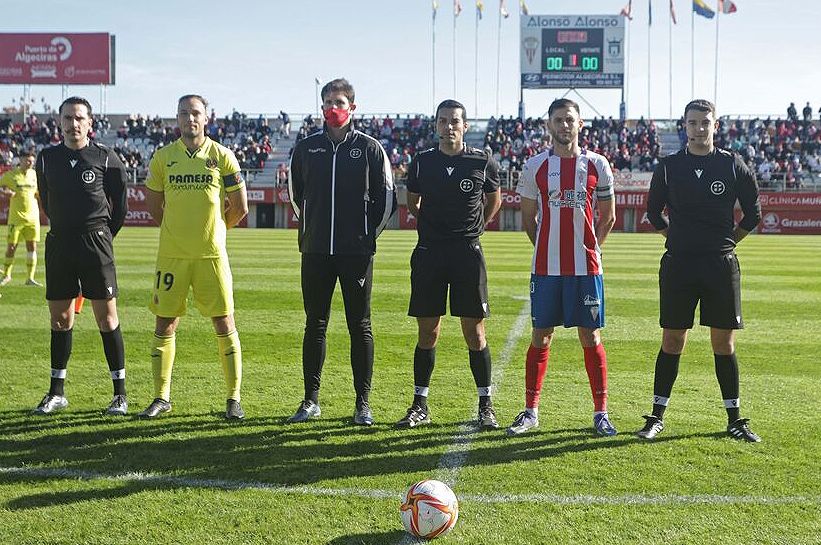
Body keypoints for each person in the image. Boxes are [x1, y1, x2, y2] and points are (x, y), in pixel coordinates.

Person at [637, 99, 762, 442]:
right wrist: (675, 238)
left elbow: (753, 214)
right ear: (685, 126)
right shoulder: (668, 166)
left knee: (723, 343)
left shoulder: (733, 164)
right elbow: (652, 212)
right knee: (673, 340)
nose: (699, 128)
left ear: (715, 125)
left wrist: (727, 242)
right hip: (679, 264)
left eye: (705, 123)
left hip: (720, 266)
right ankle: (656, 416)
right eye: (693, 123)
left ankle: (735, 420)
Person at [287, 78, 395, 426]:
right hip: (316, 252)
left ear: (353, 108)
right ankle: (310, 400)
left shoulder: (370, 148)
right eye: (329, 102)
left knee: (359, 325)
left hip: (356, 254)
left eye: (340, 102)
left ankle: (363, 403)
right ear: (321, 108)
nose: (334, 108)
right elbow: (295, 195)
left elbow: (386, 199)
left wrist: (366, 237)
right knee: (314, 325)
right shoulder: (306, 148)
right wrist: (311, 230)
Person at [506, 98, 617, 437]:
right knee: (541, 336)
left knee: (591, 335)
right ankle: (530, 411)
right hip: (546, 268)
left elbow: (608, 216)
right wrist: (546, 250)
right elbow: (529, 220)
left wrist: (591, 249)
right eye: (558, 120)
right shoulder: (535, 166)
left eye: (570, 119)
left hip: (586, 269)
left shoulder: (598, 164)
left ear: (580, 124)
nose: (564, 125)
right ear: (549, 125)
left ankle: (601, 413)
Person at [139, 94, 249, 420]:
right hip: (172, 256)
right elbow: (153, 207)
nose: (190, 119)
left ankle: (233, 398)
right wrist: (178, 231)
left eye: (196, 113)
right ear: (177, 118)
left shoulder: (222, 155)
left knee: (224, 321)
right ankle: (161, 397)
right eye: (185, 113)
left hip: (211, 256)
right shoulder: (162, 158)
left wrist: (215, 231)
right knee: (165, 323)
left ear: (206, 118)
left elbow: (240, 207)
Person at [397, 99, 502, 430]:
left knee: (474, 330)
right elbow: (412, 201)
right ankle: (420, 404)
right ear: (436, 125)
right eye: (443, 121)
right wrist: (432, 225)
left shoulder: (482, 161)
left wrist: (476, 227)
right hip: (430, 251)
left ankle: (486, 404)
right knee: (428, 329)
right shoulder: (422, 162)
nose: (449, 126)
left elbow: (494, 199)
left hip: (467, 253)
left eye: (455, 121)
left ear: (465, 126)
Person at [33, 96, 128, 415]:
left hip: (95, 245)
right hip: (60, 243)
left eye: (79, 118)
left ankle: (120, 394)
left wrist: (102, 236)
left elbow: (120, 206)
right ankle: (56, 392)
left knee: (107, 318)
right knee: (60, 319)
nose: (73, 124)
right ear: (59, 122)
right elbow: (46, 200)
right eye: (67, 118)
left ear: (90, 123)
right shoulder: (46, 159)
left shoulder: (106, 158)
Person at [0, 150, 41, 287]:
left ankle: (30, 278)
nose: (30, 163)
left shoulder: (34, 175)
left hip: (33, 218)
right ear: (21, 160)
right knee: (11, 247)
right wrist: (5, 192)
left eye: (32, 161)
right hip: (16, 218)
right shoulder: (10, 175)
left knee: (32, 246)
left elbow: (37, 192)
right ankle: (7, 275)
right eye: (28, 160)